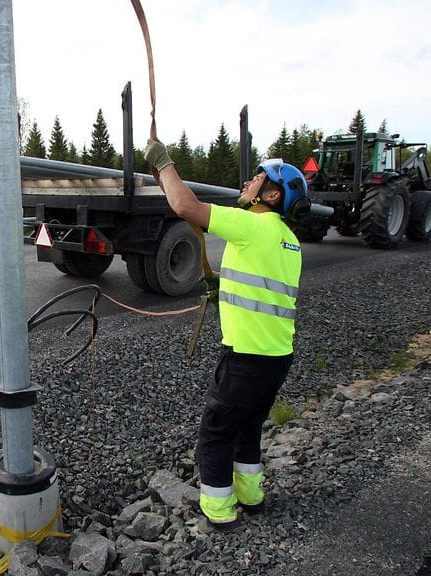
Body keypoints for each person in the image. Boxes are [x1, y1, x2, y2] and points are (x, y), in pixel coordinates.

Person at [145, 139, 308, 531]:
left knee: (215, 432)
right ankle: (251, 496)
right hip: (277, 355)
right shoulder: (290, 242)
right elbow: (263, 289)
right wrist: (226, 287)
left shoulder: (251, 225)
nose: (249, 182)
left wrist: (163, 163)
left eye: (258, 179)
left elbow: (185, 207)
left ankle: (219, 511)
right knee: (248, 429)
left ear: (271, 195)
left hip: (245, 356)